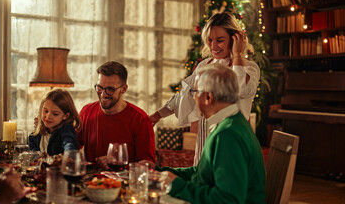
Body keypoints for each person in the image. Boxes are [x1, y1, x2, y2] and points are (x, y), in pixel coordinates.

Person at [142, 64, 265, 204]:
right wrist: (159, 172)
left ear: (208, 97)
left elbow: (228, 200)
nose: (193, 98)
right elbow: (203, 172)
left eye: (194, 92)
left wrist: (176, 185)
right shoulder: (231, 122)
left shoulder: (227, 135)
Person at [150, 12, 260, 165]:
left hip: (231, 147)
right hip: (203, 146)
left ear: (235, 39)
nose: (213, 46)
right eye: (209, 40)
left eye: (220, 40)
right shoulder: (204, 65)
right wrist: (157, 115)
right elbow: (185, 95)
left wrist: (238, 54)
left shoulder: (249, 68)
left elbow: (240, 89)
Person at [77, 61, 156, 168]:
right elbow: (72, 146)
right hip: (89, 182)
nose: (103, 94)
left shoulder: (140, 119)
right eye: (100, 87)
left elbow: (149, 166)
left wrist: (118, 163)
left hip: (125, 183)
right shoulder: (86, 112)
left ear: (123, 89)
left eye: (110, 89)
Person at [28, 88, 81, 155]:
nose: (48, 116)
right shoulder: (39, 131)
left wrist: (68, 155)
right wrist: (37, 157)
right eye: (46, 111)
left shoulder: (66, 131)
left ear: (66, 116)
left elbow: (69, 145)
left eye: (55, 114)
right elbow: (30, 147)